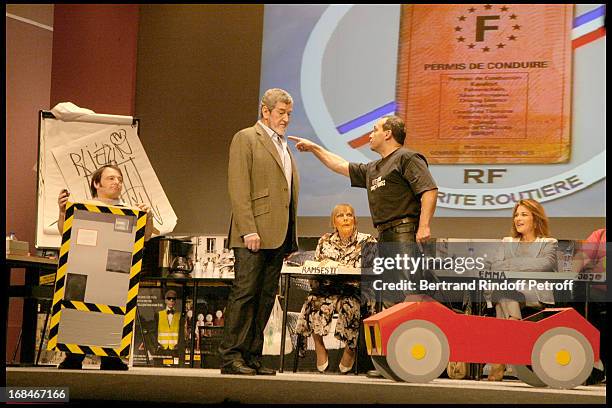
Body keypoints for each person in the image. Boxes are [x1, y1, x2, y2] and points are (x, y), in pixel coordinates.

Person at [289, 114, 438, 378]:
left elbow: (428, 190)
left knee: (401, 296)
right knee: (387, 299)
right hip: (385, 234)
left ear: (389, 133)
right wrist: (314, 148)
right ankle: (391, 363)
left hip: (404, 231)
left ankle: (404, 361)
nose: (370, 134)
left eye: (374, 129)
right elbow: (340, 165)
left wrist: (424, 225)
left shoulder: (406, 158)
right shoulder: (374, 168)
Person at [219, 88, 299, 376]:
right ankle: (232, 357)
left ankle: (252, 356)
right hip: (253, 233)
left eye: (289, 113)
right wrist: (248, 229)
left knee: (265, 297)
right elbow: (239, 187)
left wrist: (291, 234)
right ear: (265, 111)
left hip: (277, 235)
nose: (286, 119)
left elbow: (285, 194)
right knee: (245, 294)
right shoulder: (247, 138)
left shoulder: (283, 145)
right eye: (281, 113)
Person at [57, 164, 155, 370]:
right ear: (96, 183)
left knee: (113, 310)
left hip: (116, 270)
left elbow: (144, 237)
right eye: (111, 178)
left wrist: (148, 217)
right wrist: (62, 210)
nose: (117, 182)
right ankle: (74, 355)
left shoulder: (130, 210)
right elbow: (64, 232)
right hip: (85, 267)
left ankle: (111, 356)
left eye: (119, 179)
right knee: (79, 309)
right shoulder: (83, 207)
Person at [295, 203, 377, 373]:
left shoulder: (367, 241)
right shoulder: (325, 241)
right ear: (334, 222)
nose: (346, 218)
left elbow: (373, 271)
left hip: (355, 290)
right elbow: (316, 271)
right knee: (313, 301)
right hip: (329, 288)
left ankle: (350, 348)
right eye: (340, 215)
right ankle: (318, 345)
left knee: (352, 305)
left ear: (355, 220)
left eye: (349, 215)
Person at [486, 199, 557, 381]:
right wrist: (521, 267)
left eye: (524, 214)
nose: (518, 218)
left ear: (536, 219)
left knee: (503, 298)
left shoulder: (548, 242)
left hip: (535, 295)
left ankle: (499, 361)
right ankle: (514, 330)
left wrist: (510, 265)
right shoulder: (507, 241)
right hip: (509, 294)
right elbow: (495, 267)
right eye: (516, 215)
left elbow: (545, 265)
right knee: (505, 294)